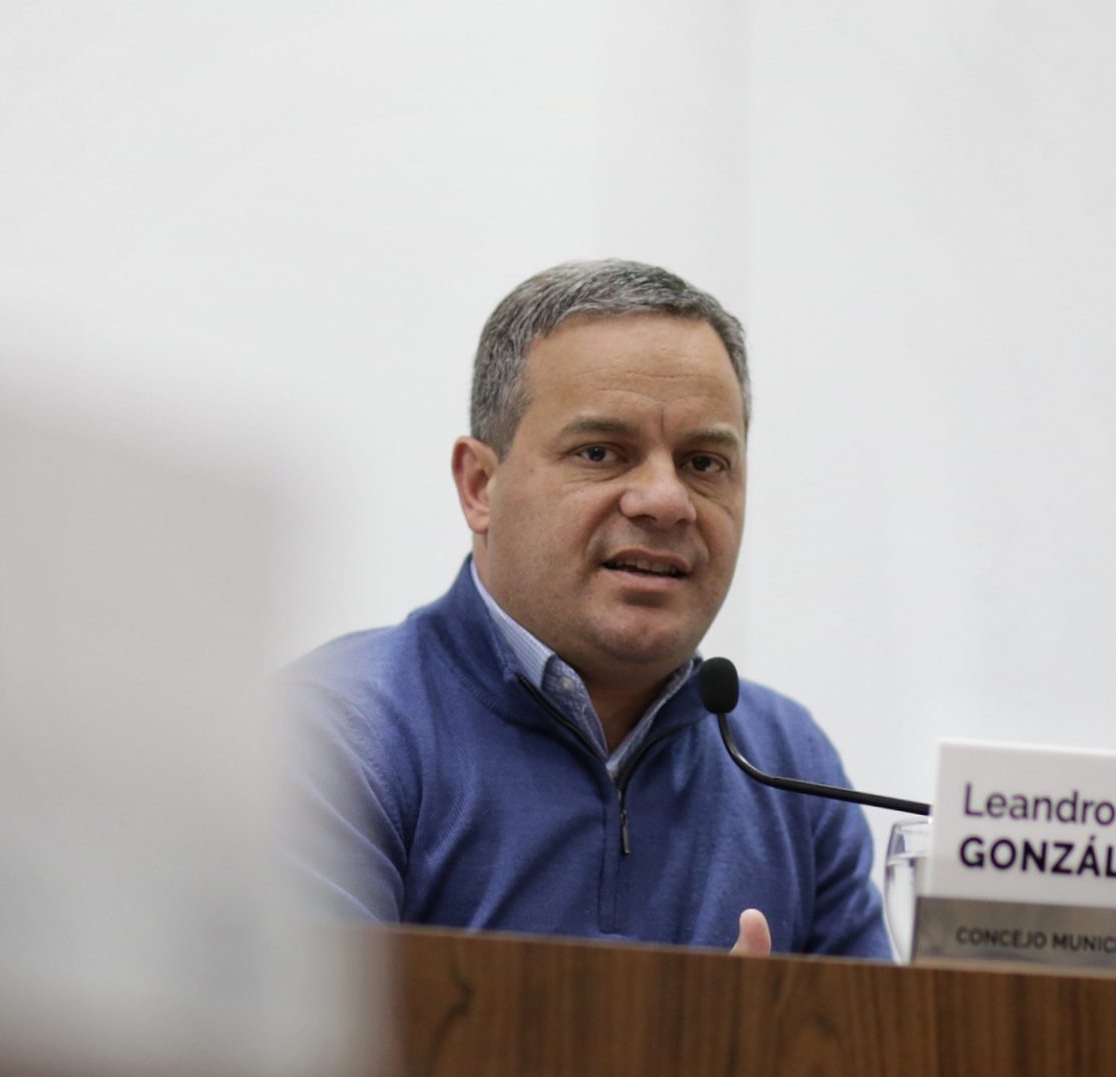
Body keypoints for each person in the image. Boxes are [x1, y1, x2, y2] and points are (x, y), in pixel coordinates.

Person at [285, 260, 889, 960]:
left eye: (703, 463)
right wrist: (706, 1033)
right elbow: (304, 1031)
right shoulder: (331, 736)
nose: (665, 501)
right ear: (480, 486)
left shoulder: (788, 763)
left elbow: (879, 1035)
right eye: (601, 453)